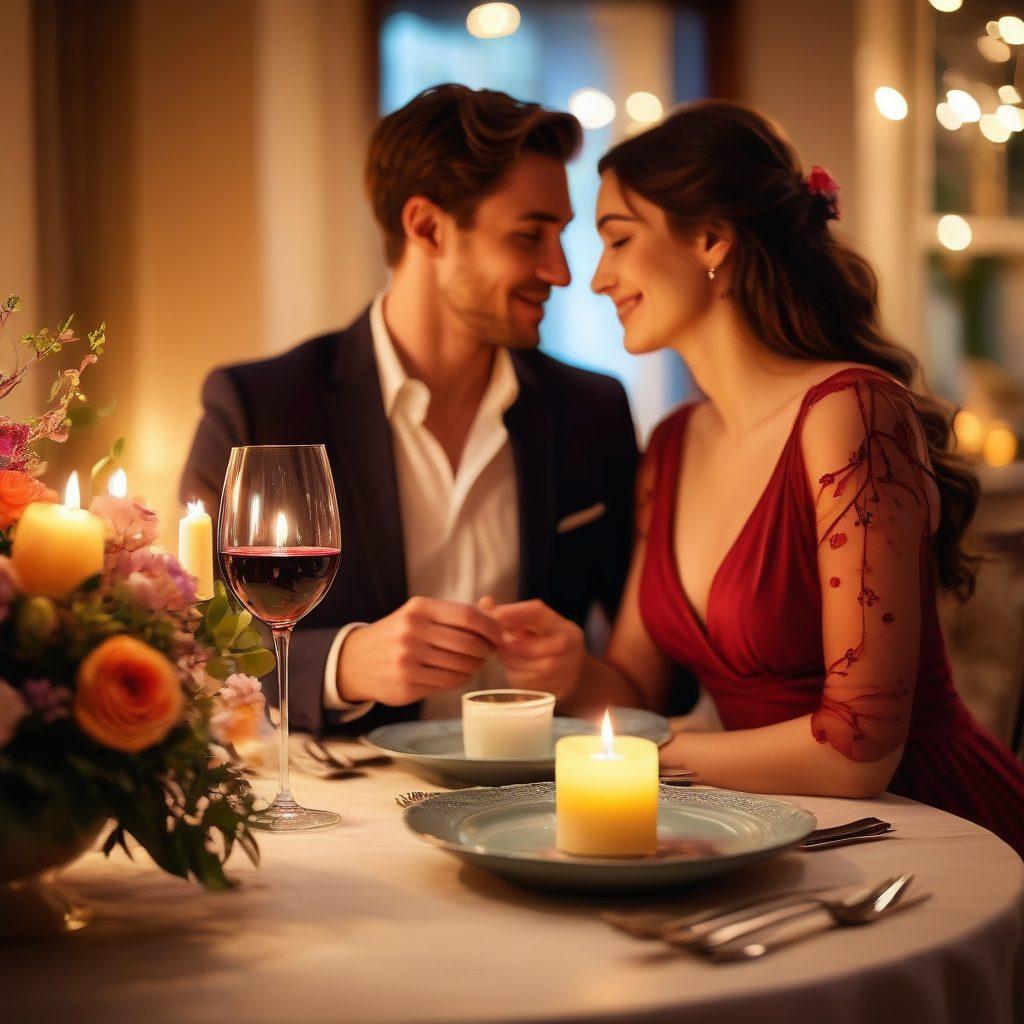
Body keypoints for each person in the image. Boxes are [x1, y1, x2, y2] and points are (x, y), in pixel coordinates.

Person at [489, 99, 1024, 857]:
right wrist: (573, 668)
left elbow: (858, 748)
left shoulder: (851, 413)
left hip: (923, 827)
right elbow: (638, 695)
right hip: (772, 830)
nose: (598, 278)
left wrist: (649, 752)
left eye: (617, 239)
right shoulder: (673, 444)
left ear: (710, 239)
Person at [180, 84, 673, 734]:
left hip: (538, 807)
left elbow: (660, 673)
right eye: (530, 237)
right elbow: (196, 646)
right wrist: (346, 663)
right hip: (346, 809)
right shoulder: (261, 404)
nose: (560, 271)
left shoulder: (592, 410)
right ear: (427, 226)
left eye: (562, 236)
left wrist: (576, 669)